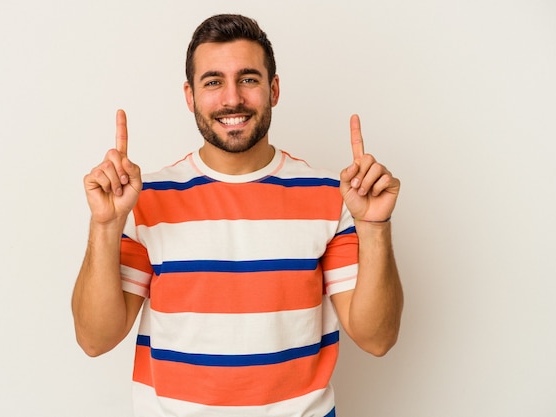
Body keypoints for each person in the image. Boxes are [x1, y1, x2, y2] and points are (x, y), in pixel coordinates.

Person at [72, 13, 403, 417]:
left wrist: (374, 227)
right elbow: (95, 339)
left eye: (248, 79)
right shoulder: (145, 198)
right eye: (213, 82)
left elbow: (377, 338)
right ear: (190, 96)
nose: (232, 99)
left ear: (273, 89)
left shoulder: (331, 196)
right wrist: (105, 225)